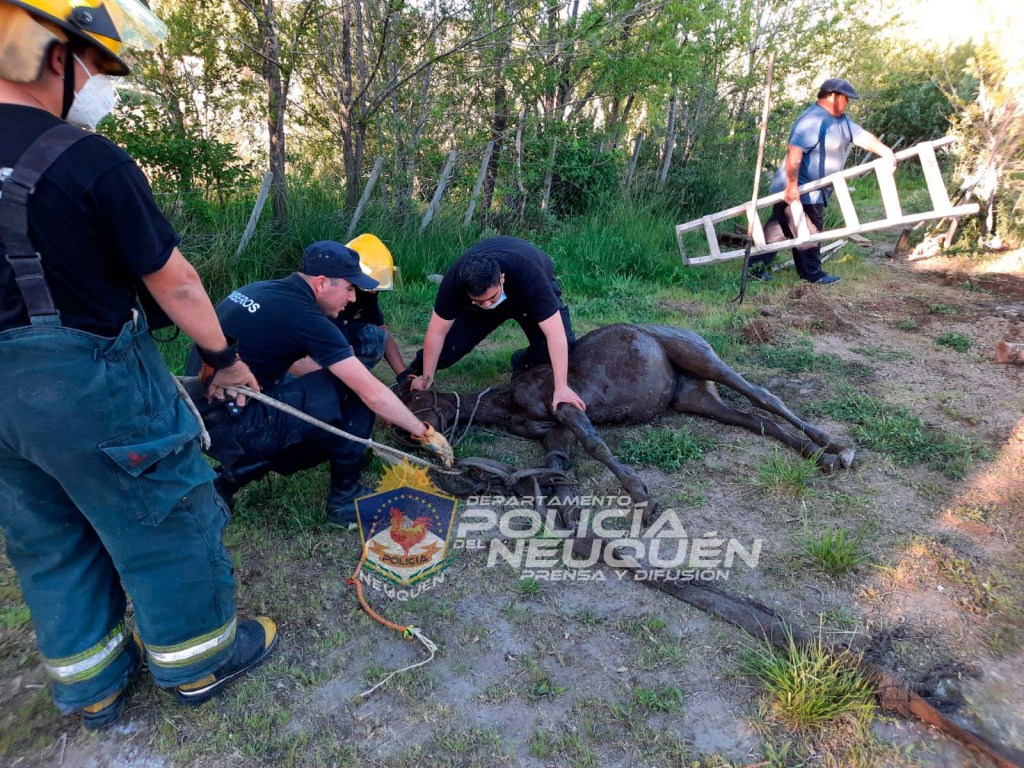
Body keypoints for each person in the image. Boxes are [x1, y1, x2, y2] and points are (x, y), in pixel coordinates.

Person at [0, 0, 277, 730]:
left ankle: (89, 684)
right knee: (163, 510)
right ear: (56, 56)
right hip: (85, 385)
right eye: (101, 64)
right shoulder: (86, 157)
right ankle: (198, 661)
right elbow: (175, 282)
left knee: (47, 532)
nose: (104, 84)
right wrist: (223, 360)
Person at [186, 241, 453, 528]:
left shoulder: (261, 290)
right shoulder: (305, 316)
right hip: (236, 424)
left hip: (202, 416)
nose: (353, 299)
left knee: (330, 416)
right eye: (349, 288)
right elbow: (370, 391)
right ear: (323, 283)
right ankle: (346, 501)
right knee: (352, 392)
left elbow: (285, 360)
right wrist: (423, 432)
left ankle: (227, 481)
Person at [404, 236, 586, 412]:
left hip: (526, 294)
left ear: (502, 278)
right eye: (479, 300)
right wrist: (426, 377)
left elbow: (555, 333)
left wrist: (561, 388)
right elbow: (437, 333)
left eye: (491, 298)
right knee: (450, 347)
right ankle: (412, 374)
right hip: (485, 296)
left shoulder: (530, 275)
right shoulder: (455, 282)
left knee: (558, 348)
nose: (487, 305)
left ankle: (522, 360)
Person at [749, 78, 895, 284]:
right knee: (810, 230)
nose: (848, 103)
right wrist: (792, 186)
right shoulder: (812, 119)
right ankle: (813, 275)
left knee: (779, 229)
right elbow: (795, 153)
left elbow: (863, 137)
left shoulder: (841, 120)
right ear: (833, 96)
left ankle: (754, 269)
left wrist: (886, 152)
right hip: (800, 189)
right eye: (846, 99)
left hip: (809, 190)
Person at [335, 234, 407, 375]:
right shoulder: (333, 298)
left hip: (340, 336)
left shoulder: (367, 292)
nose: (374, 292)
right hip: (313, 348)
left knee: (374, 336)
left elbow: (382, 329)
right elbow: (339, 340)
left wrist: (403, 374)